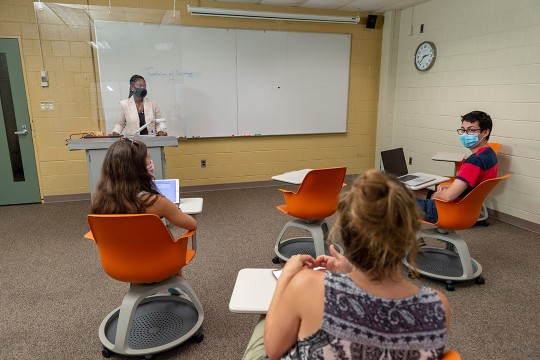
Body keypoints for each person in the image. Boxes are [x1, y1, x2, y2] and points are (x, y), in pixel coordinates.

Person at [243, 170, 450, 360]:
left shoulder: (310, 286)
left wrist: (287, 277)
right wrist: (350, 271)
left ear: (347, 233)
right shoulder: (438, 306)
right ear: (411, 235)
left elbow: (273, 350)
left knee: (267, 318)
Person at [91, 137, 195, 232]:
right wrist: (173, 211)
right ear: (138, 167)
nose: (151, 162)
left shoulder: (100, 201)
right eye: (148, 158)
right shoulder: (157, 202)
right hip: (154, 253)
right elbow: (192, 225)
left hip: (115, 253)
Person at [416, 110, 498, 223]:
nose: (465, 134)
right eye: (463, 130)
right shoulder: (490, 154)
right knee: (409, 191)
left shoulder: (475, 161)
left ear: (485, 132)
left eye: (471, 130)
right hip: (465, 208)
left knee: (391, 201)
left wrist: (438, 194)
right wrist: (450, 188)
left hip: (446, 210)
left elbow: (448, 197)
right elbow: (470, 189)